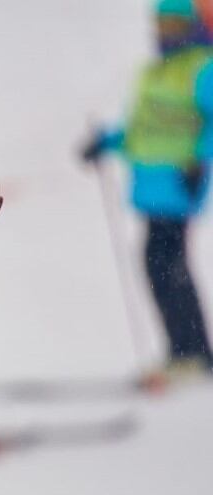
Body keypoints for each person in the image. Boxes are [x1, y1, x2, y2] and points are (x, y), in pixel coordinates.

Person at [83, 0, 213, 377]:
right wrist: (105, 142)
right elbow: (141, 129)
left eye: (174, 23)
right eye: (161, 22)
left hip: (179, 182)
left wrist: (199, 158)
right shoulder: (153, 72)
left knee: (168, 265)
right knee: (160, 266)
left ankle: (192, 352)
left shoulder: (202, 68)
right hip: (149, 183)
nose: (165, 30)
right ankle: (185, 351)